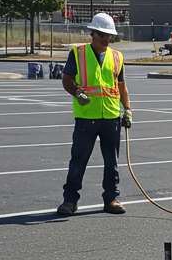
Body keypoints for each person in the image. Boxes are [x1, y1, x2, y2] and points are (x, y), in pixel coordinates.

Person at [57, 13, 133, 216]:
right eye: (102, 35)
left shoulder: (117, 57)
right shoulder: (78, 53)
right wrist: (77, 92)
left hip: (111, 117)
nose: (106, 40)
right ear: (93, 34)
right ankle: (70, 201)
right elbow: (66, 80)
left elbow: (121, 86)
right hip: (86, 117)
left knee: (112, 162)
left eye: (109, 36)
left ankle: (111, 199)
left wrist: (127, 109)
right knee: (78, 160)